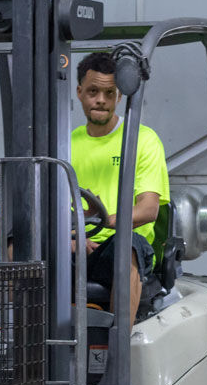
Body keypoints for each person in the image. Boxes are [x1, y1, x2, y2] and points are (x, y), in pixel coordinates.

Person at [70, 51, 169, 325]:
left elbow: (148, 210)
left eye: (108, 93)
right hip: (73, 246)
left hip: (118, 247)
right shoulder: (65, 144)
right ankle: (15, 339)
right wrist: (72, 238)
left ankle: (118, 353)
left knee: (128, 246)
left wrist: (102, 223)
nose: (100, 100)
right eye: (92, 91)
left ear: (119, 96)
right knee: (16, 240)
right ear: (79, 92)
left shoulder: (142, 140)